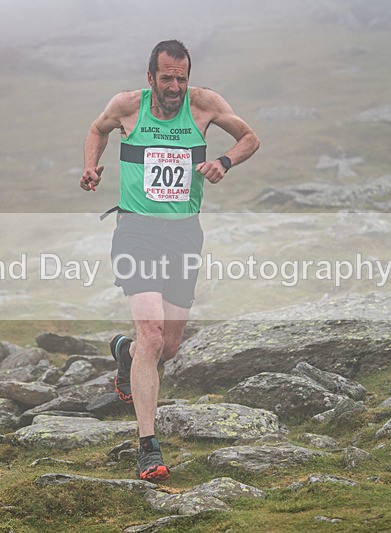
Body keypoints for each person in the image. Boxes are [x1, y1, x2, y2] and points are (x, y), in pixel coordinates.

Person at [80, 39, 259, 481]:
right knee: (153, 334)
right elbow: (97, 129)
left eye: (181, 78)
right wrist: (90, 166)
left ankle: (125, 353)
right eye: (166, 78)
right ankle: (147, 445)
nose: (175, 87)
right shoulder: (127, 106)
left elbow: (250, 138)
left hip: (183, 234)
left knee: (170, 346)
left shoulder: (204, 105)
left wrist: (225, 161)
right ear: (151, 78)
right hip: (136, 231)